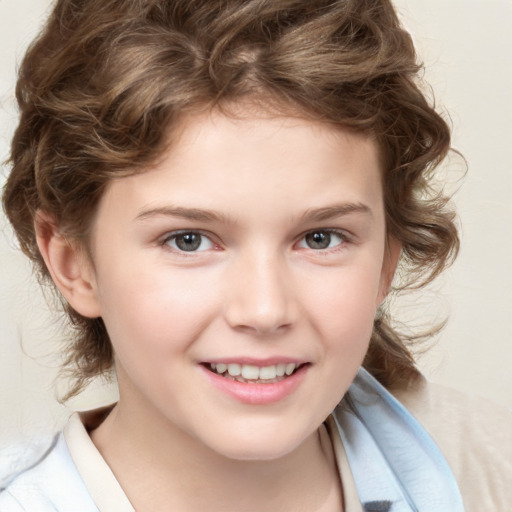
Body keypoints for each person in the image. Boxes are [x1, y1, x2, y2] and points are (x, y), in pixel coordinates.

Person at [0, 0, 510, 510]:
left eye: (321, 238)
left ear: (386, 260)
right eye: (189, 240)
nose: (265, 310)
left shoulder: (490, 473)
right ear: (73, 263)